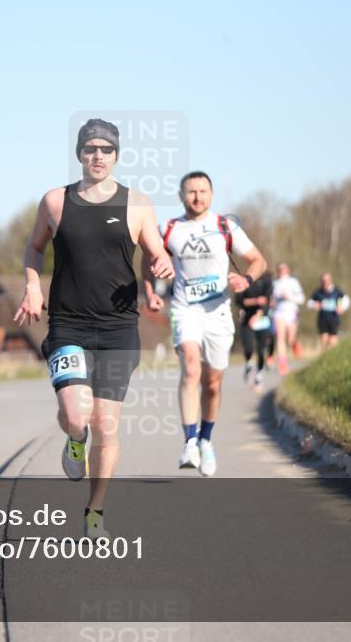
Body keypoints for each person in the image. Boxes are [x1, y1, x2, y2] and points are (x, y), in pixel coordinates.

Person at [14, 118, 173, 539]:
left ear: (117, 154)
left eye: (105, 149)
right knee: (74, 414)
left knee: (107, 424)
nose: (98, 155)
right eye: (90, 149)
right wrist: (32, 286)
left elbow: (155, 251)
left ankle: (95, 510)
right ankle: (73, 440)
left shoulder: (137, 204)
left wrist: (160, 268)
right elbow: (33, 249)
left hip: (119, 329)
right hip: (68, 323)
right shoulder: (55, 202)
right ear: (80, 154)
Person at [144, 171, 265, 476]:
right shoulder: (169, 229)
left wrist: (246, 278)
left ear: (211, 195)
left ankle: (206, 441)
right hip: (186, 309)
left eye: (203, 191)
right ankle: (189, 441)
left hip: (219, 312)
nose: (197, 197)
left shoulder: (225, 226)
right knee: (191, 367)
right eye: (191, 192)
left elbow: (258, 260)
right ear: (181, 195)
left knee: (212, 384)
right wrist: (150, 292)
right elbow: (148, 261)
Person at [237, 271, 274, 387]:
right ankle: (248, 363)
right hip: (246, 319)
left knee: (261, 349)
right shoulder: (243, 280)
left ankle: (259, 375)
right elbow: (239, 301)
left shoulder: (267, 282)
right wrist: (256, 301)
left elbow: (267, 301)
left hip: (262, 319)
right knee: (248, 347)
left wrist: (257, 315)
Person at [271, 263, 305, 375]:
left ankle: (295, 344)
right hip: (279, 313)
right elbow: (271, 300)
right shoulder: (274, 283)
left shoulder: (293, 282)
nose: (281, 270)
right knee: (280, 338)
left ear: (288, 270)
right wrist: (272, 302)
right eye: (279, 268)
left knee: (290, 339)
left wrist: (289, 296)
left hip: (292, 312)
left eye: (284, 268)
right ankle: (282, 364)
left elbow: (301, 299)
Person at [306, 272, 350, 350]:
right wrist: (314, 305)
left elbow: (347, 300)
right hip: (322, 318)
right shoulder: (318, 292)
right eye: (323, 280)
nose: (325, 282)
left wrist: (342, 308)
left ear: (330, 280)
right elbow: (309, 303)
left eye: (327, 280)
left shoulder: (337, 291)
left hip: (334, 318)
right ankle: (324, 356)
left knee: (333, 339)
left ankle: (333, 357)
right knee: (324, 339)